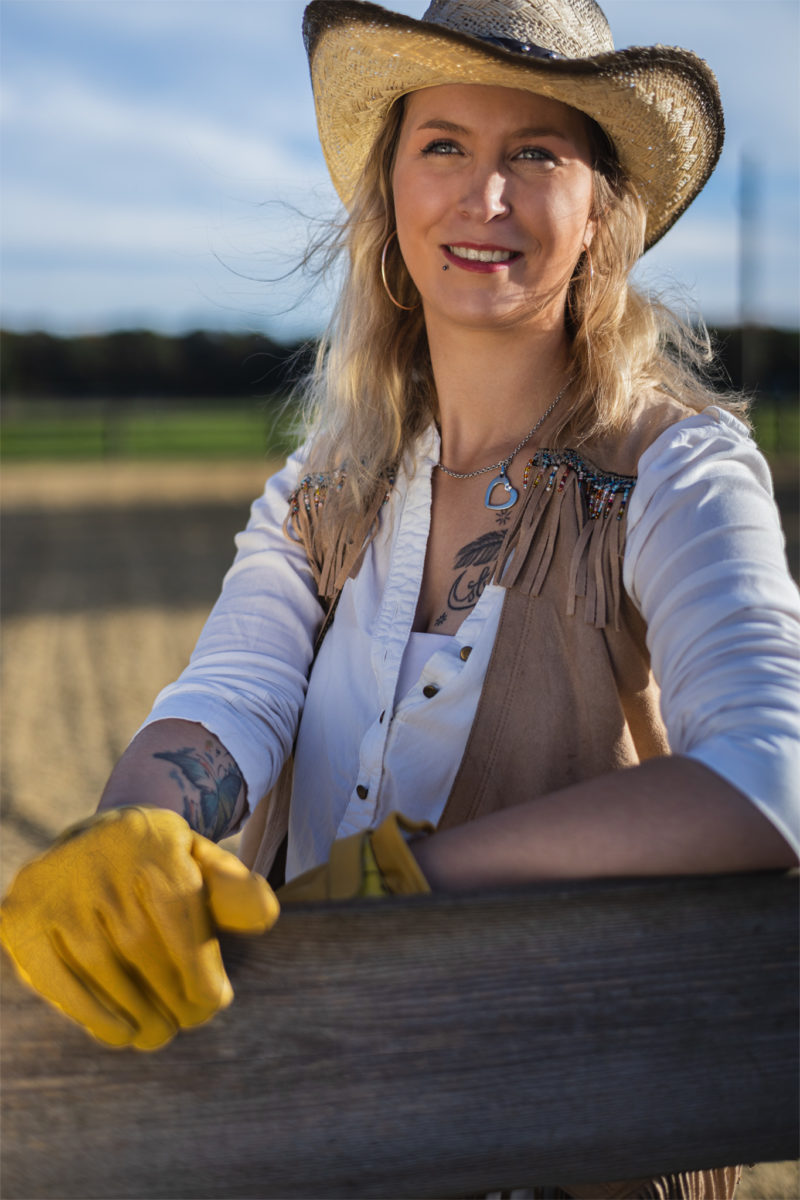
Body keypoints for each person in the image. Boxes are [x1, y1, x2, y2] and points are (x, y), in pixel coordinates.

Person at [2, 1, 798, 1195]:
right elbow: (235, 692)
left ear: (599, 216)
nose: (484, 198)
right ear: (391, 196)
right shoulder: (324, 490)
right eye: (444, 146)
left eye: (537, 152)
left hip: (567, 1133)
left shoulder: (676, 471)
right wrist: (140, 826)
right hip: (305, 1120)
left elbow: (770, 775)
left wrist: (408, 884)